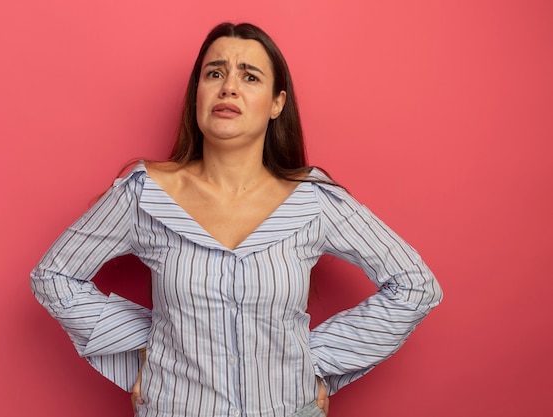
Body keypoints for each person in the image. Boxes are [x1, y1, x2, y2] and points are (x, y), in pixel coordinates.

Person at [30, 22, 443, 417]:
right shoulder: (146, 194)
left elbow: (414, 287)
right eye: (215, 73)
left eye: (250, 77)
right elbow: (54, 276)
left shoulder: (315, 201)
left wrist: (317, 362)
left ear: (277, 103)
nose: (229, 86)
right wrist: (141, 344)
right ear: (199, 95)